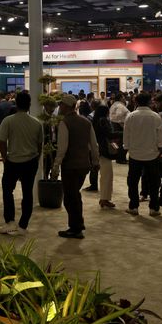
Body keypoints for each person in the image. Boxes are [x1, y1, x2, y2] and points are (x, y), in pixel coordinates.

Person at [0, 93, 43, 236]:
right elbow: (39, 145)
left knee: (7, 190)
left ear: (16, 103)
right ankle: (23, 225)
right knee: (27, 193)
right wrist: (36, 158)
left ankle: (10, 221)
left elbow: (1, 142)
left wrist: (5, 157)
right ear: (29, 105)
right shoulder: (36, 122)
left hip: (12, 161)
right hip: (31, 161)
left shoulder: (8, 121)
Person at [52, 94, 99, 239]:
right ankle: (78, 223)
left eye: (61, 105)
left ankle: (75, 228)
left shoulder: (65, 123)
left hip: (70, 166)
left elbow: (62, 148)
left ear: (66, 106)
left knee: (70, 197)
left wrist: (55, 167)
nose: (59, 107)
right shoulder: (86, 122)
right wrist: (95, 162)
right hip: (84, 165)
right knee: (75, 194)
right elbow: (94, 144)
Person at [123, 93, 162, 217]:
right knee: (154, 181)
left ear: (136, 102)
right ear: (150, 102)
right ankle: (154, 208)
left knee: (133, 181)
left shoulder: (130, 116)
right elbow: (160, 135)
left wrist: (127, 148)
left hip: (135, 154)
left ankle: (133, 206)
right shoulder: (155, 116)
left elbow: (126, 134)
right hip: (152, 154)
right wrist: (160, 148)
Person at [92, 105, 118, 209]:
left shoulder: (96, 120)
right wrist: (123, 132)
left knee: (105, 175)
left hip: (99, 149)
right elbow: (110, 134)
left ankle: (104, 198)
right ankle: (104, 199)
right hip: (104, 150)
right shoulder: (103, 121)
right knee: (107, 175)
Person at [110, 93, 129, 164]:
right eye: (123, 97)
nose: (124, 98)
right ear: (121, 98)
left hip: (115, 125)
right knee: (122, 143)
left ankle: (120, 157)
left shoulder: (114, 105)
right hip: (119, 125)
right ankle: (121, 158)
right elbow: (118, 116)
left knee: (119, 142)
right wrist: (121, 124)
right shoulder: (120, 106)